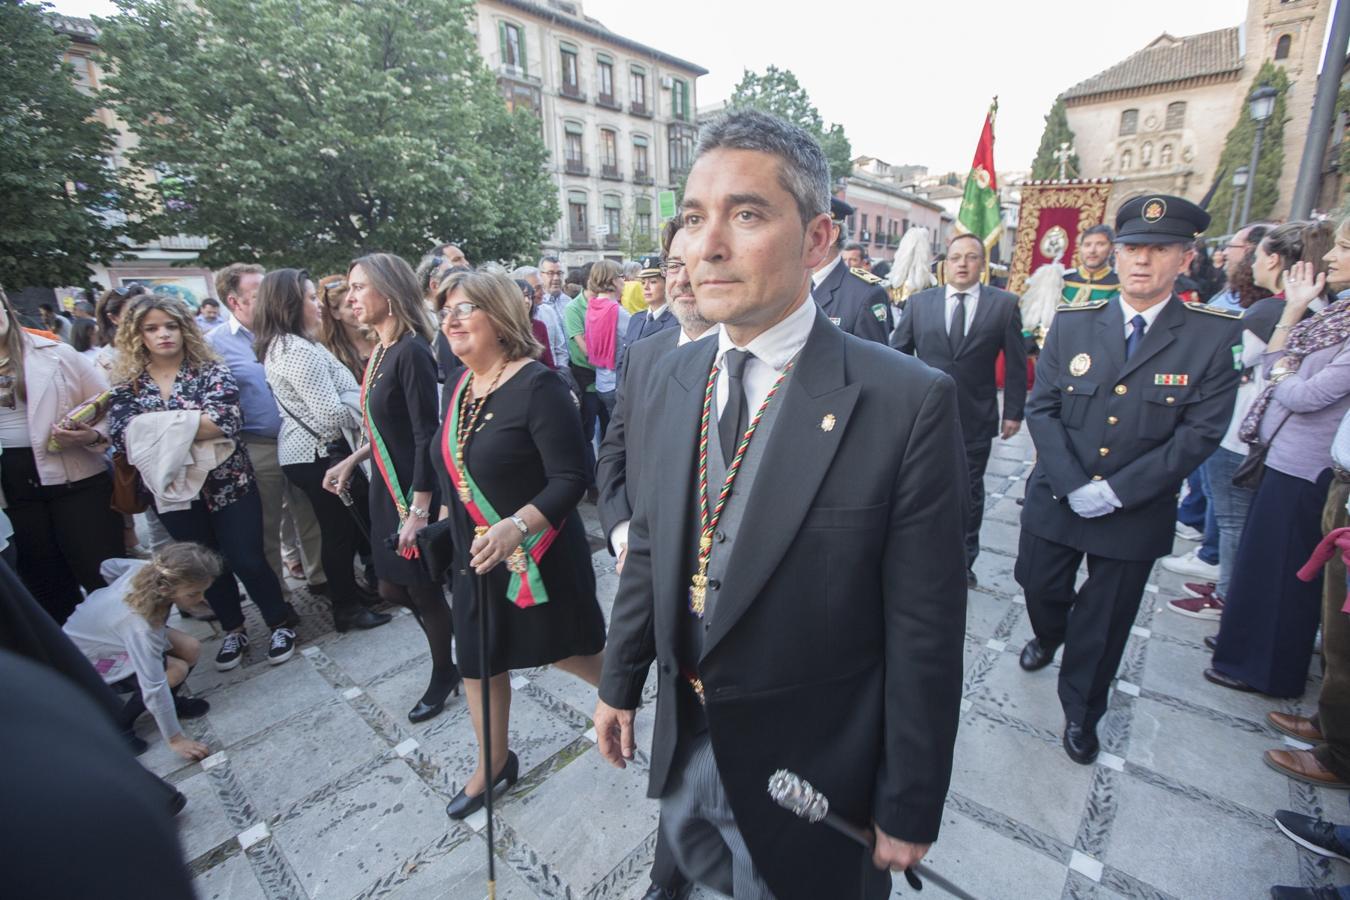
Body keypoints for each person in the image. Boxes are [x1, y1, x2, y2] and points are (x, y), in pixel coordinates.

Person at [593, 109, 967, 900]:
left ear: (819, 241)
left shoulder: (905, 403)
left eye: (747, 214)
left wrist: (908, 798)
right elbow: (655, 545)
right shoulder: (668, 376)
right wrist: (619, 680)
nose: (707, 246)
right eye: (694, 219)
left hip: (815, 772)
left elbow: (924, 627)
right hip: (690, 744)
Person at [1014, 195, 1241, 765]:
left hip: (1135, 508)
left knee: (1108, 618)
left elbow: (1200, 432)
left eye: (1159, 250)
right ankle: (1048, 632)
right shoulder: (1073, 323)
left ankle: (1082, 712)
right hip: (1060, 493)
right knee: (1038, 583)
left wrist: (1115, 491)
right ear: (1115, 256)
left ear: (1185, 258)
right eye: (1132, 248)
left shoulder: (1211, 337)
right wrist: (1072, 484)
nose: (1142, 261)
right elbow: (1041, 407)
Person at [430, 269, 606, 819]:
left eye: (464, 309)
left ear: (500, 317)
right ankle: (493, 764)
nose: (450, 320)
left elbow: (571, 477)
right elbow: (455, 465)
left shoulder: (539, 385)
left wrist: (516, 526)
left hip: (538, 552)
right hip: (477, 554)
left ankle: (634, 687)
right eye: (445, 312)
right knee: (478, 661)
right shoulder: (462, 385)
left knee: (566, 652)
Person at [596, 220, 712, 900]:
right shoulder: (647, 355)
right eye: (671, 266)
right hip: (653, 572)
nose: (682, 278)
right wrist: (621, 532)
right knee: (678, 735)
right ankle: (670, 880)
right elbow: (613, 455)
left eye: (691, 265)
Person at [107, 294, 298, 670]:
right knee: (203, 564)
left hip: (228, 482)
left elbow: (223, 422)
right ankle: (234, 630)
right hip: (173, 490)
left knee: (246, 556)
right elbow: (125, 435)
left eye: (170, 326)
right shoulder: (128, 383)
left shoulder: (210, 369)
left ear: (184, 328)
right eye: (152, 328)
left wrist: (159, 430)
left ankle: (280, 621)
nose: (163, 335)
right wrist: (190, 423)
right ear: (137, 335)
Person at [1209, 226, 1350, 718]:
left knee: (1286, 578)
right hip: (1284, 456)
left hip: (1309, 467)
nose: (1332, 255)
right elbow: (1282, 369)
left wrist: (1285, 358)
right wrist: (1291, 320)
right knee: (1262, 564)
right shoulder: (1335, 316)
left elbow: (1297, 392)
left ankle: (1268, 670)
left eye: (1345, 248)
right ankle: (1244, 652)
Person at [324, 253, 460, 723]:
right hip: (385, 482)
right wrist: (353, 458)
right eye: (349, 286)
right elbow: (386, 426)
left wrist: (420, 509)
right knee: (391, 587)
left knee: (418, 588)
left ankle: (446, 670)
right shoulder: (380, 350)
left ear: (389, 291)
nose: (350, 296)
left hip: (412, 489)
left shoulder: (412, 351)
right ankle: (453, 638)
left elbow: (426, 433)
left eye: (360, 286)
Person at [1166, 222, 1312, 620]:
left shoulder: (1270, 311)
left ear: (1274, 259)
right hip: (1267, 432)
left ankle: (1228, 596)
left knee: (1232, 518)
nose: (1251, 261)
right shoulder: (1305, 308)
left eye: (1257, 253)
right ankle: (1228, 585)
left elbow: (1230, 364)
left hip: (1242, 427)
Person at [254, 268, 392, 634]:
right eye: (311, 298)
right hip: (317, 453)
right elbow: (329, 415)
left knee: (342, 530)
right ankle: (345, 607)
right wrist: (366, 406)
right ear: (289, 303)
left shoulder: (290, 344)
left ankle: (351, 595)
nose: (318, 305)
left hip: (312, 453)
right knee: (338, 533)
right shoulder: (295, 349)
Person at [892, 231, 1028, 586]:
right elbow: (897, 355)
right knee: (919, 486)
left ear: (982, 265)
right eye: (956, 258)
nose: (963, 264)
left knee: (968, 490)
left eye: (971, 257)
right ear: (945, 264)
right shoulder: (921, 304)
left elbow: (1016, 364)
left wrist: (1014, 411)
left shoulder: (1003, 305)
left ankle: (964, 560)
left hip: (975, 416)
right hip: (922, 416)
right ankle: (917, 553)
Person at [0, 286, 123, 623]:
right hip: (12, 492)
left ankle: (147, 664)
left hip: (77, 480)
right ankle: (83, 668)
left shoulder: (54, 352)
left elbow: (110, 404)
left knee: (104, 577)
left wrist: (93, 434)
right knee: (46, 588)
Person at [206, 263, 327, 597]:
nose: (272, 298)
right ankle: (279, 596)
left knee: (310, 513)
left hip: (304, 439)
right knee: (267, 524)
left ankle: (321, 581)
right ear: (235, 302)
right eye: (259, 295)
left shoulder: (289, 331)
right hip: (257, 444)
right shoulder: (214, 346)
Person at [63, 543, 219, 760]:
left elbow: (107, 566)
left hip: (103, 636)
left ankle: (170, 706)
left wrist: (112, 598)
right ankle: (119, 726)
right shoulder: (141, 627)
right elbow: (153, 685)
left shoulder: (148, 569)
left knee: (190, 648)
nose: (201, 598)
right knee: (176, 670)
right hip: (87, 661)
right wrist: (175, 739)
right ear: (166, 589)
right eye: (193, 594)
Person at [810, 197, 892, 343]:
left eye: (805, 229)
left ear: (830, 235)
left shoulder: (866, 294)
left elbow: (873, 362)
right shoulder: (793, 284)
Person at [583, 260, 631, 424]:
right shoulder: (616, 311)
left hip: (601, 382)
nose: (624, 282)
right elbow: (638, 338)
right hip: (616, 384)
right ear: (612, 280)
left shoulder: (592, 306)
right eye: (621, 277)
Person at [316, 273, 376, 383]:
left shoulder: (381, 337)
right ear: (335, 313)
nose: (358, 308)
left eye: (360, 301)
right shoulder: (330, 353)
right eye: (350, 306)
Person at [622, 255, 679, 354]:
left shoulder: (677, 321)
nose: (646, 287)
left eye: (653, 282)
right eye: (643, 282)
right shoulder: (636, 319)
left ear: (667, 284)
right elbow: (623, 356)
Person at [1061, 224, 1120, 306]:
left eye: (1100, 244)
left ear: (1112, 248)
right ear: (1080, 248)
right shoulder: (1063, 280)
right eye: (1087, 245)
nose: (1092, 250)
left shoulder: (1120, 283)